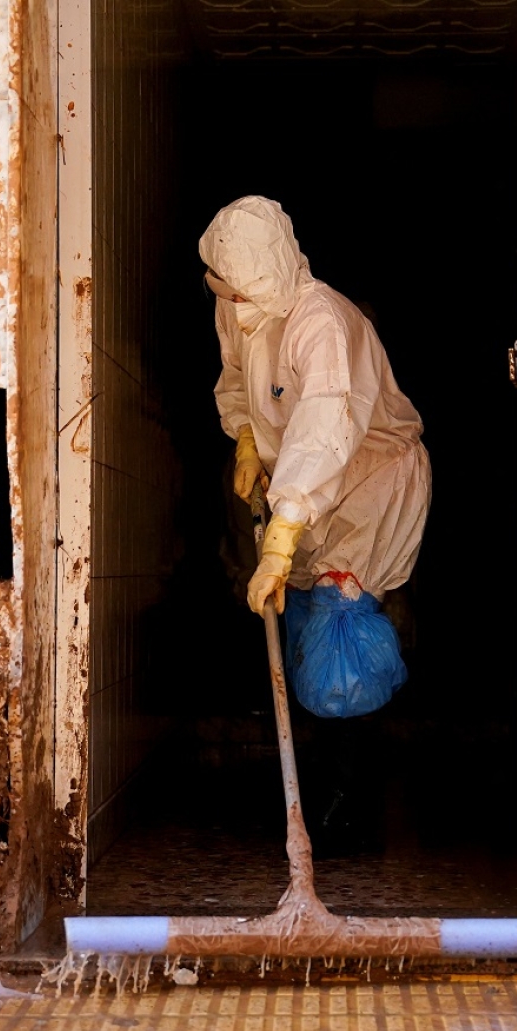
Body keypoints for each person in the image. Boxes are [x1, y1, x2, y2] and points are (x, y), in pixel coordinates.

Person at [199, 196, 431, 724]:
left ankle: (352, 792)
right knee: (303, 622)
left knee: (340, 652)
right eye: (223, 290)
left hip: (371, 479)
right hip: (301, 485)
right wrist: (246, 438)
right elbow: (236, 375)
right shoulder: (237, 305)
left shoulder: (320, 322)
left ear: (271, 276)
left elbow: (323, 428)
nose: (233, 303)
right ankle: (320, 775)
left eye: (241, 292)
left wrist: (280, 541)